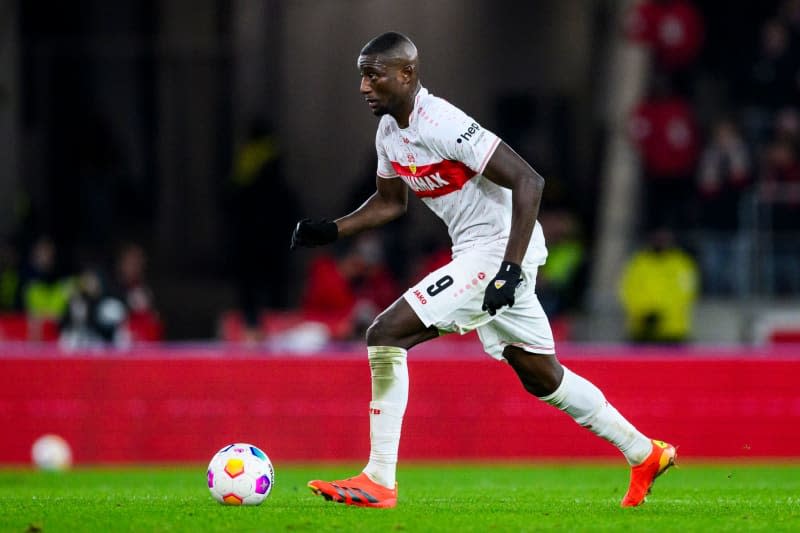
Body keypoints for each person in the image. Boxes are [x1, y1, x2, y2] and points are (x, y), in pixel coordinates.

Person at [291, 32, 676, 509]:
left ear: (407, 74)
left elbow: (528, 180)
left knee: (386, 333)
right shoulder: (389, 132)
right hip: (475, 251)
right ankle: (644, 452)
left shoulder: (443, 122)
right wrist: (334, 229)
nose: (364, 87)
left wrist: (510, 269)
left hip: (498, 250)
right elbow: (391, 203)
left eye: (374, 74)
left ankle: (379, 478)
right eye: (361, 76)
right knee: (540, 374)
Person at [619, 228, 699, 343]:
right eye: (657, 237)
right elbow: (628, 290)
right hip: (641, 329)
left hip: (673, 331)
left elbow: (687, 293)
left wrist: (662, 313)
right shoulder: (638, 263)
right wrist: (644, 312)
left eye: (664, 237)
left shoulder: (682, 263)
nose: (660, 241)